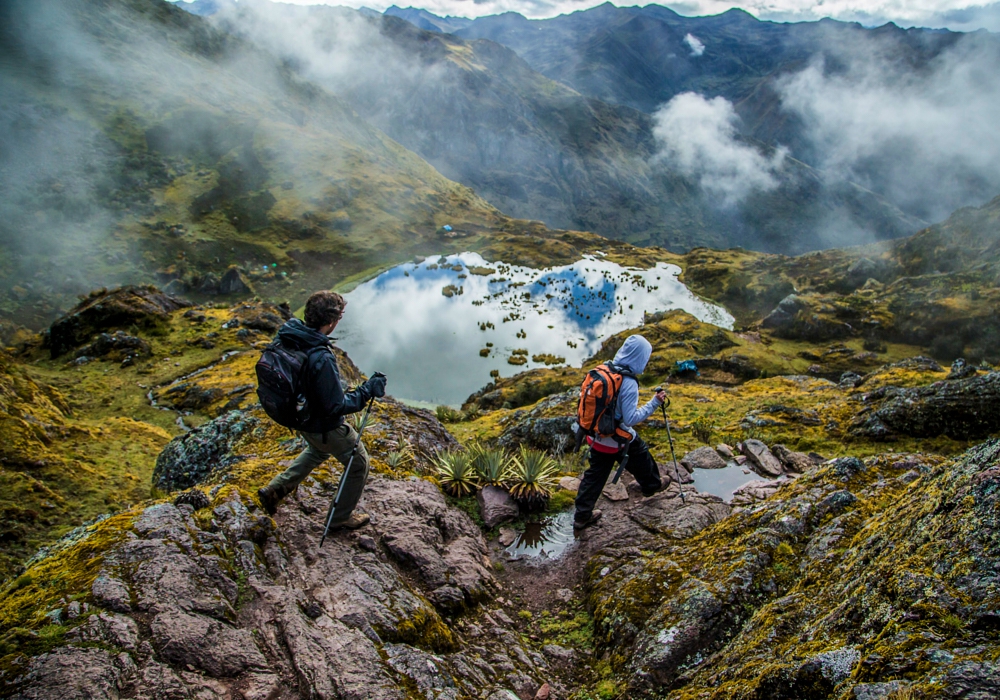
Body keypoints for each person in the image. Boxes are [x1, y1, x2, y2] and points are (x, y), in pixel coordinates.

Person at [257, 291, 386, 529]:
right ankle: (339, 519)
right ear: (331, 322)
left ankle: (275, 490)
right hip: (323, 426)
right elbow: (336, 406)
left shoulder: (291, 336)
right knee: (358, 464)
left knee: (317, 451)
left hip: (300, 418)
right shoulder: (321, 356)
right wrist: (368, 390)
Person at [574, 334, 667, 529]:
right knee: (640, 453)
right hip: (617, 439)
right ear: (639, 357)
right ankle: (651, 486)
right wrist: (655, 403)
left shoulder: (604, 369)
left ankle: (582, 516)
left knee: (594, 477)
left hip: (596, 435)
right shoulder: (628, 382)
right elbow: (630, 419)